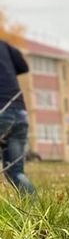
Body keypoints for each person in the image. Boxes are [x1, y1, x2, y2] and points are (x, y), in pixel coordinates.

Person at [0, 38, 35, 195]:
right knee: (16, 173)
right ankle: (40, 212)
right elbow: (23, 66)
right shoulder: (4, 45)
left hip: (2, 112)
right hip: (19, 113)